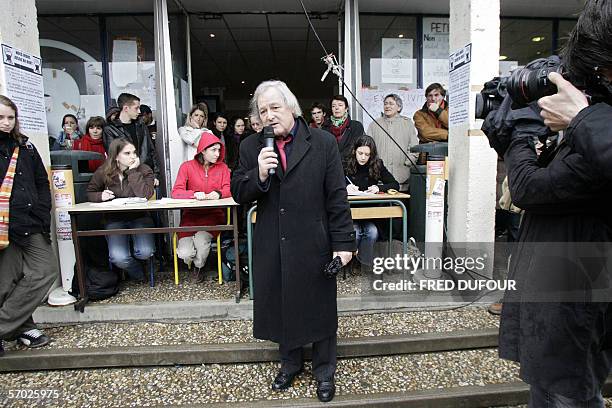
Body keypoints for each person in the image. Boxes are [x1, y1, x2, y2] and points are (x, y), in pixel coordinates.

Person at [493, 2, 612, 404]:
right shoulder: (589, 129)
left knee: (571, 394)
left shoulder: (594, 130)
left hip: (576, 299)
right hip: (554, 293)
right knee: (546, 390)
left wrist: (521, 135)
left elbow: (528, 189)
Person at [231, 80, 356, 403]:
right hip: (273, 240)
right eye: (263, 111)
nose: (269, 116)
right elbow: (237, 193)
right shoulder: (250, 147)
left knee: (319, 305)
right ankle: (290, 362)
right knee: (283, 302)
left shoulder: (324, 142)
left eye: (275, 107)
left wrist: (344, 244)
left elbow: (337, 197)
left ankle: (324, 369)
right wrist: (257, 175)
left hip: (314, 238)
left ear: (292, 108)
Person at [0, 95, 56, 354]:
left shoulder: (26, 147)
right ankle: (23, 326)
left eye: (11, 117)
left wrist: (43, 215)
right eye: (1, 117)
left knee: (45, 271)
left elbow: (41, 183)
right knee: (6, 281)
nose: (6, 123)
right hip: (4, 226)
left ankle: (6, 326)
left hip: (32, 223)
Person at [87, 138, 155, 281]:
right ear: (116, 156)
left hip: (140, 216)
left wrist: (132, 172)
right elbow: (90, 192)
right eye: (127, 153)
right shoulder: (104, 171)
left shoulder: (144, 169)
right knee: (119, 258)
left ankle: (140, 268)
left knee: (145, 252)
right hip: (114, 218)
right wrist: (100, 195)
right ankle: (139, 273)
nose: (133, 157)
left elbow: (146, 195)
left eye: (134, 153)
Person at [171, 131, 230, 271]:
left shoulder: (223, 168)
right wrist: (194, 194)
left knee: (201, 242)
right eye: (213, 150)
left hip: (213, 217)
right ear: (203, 150)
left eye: (219, 150)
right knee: (185, 252)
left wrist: (219, 193)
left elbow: (229, 189)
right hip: (189, 218)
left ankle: (199, 267)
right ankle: (194, 264)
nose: (217, 154)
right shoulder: (186, 166)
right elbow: (176, 192)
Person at [344, 135, 399, 267]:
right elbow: (331, 184)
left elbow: (394, 184)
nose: (363, 157)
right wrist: (345, 187)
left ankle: (363, 264)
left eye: (367, 154)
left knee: (372, 232)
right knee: (355, 232)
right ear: (354, 151)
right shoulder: (345, 164)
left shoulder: (377, 164)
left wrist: (377, 187)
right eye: (360, 153)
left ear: (372, 155)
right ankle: (352, 264)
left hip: (371, 214)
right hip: (350, 213)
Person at [367, 93, 419, 192]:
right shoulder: (374, 124)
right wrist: (374, 165)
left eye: (391, 103)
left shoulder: (407, 124)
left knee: (402, 205)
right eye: (385, 103)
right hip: (379, 179)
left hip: (402, 176)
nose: (387, 106)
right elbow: (368, 148)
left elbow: (414, 147)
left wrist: (407, 162)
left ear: (399, 107)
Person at [103, 93, 160, 182]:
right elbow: (114, 156)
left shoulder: (141, 125)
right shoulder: (110, 129)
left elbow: (151, 150)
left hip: (144, 174)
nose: (139, 112)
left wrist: (155, 174)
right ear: (126, 108)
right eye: (136, 108)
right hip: (124, 177)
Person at [321, 95, 364, 162]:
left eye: (340, 105)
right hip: (330, 167)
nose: (336, 108)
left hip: (349, 167)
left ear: (346, 108)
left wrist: (336, 159)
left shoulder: (356, 126)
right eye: (333, 106)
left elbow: (353, 148)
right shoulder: (324, 128)